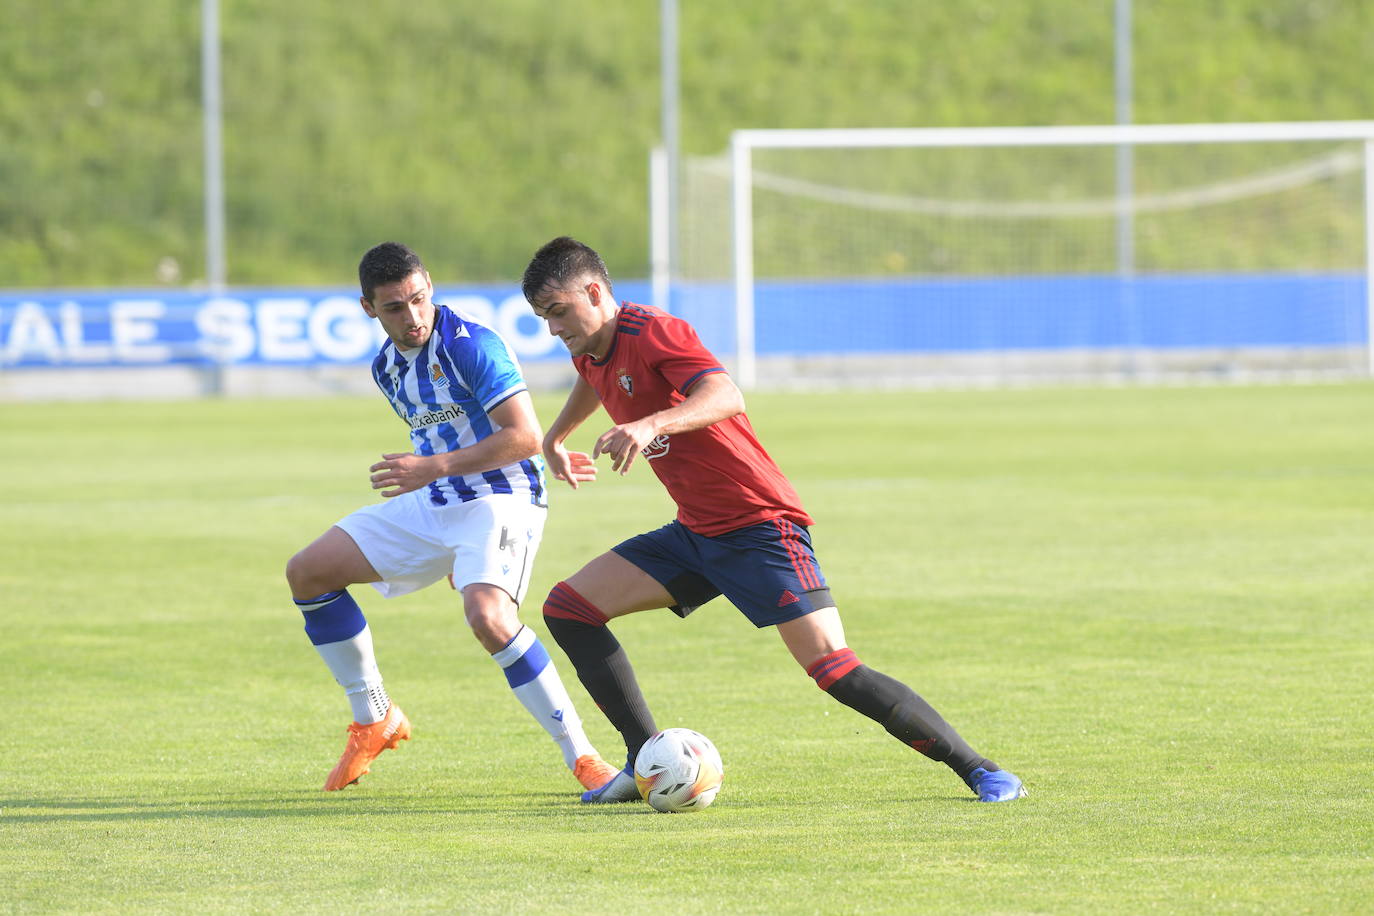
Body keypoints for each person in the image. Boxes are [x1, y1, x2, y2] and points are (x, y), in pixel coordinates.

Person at [520, 236, 1026, 804]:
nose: (553, 328)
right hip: (697, 532)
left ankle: (979, 769)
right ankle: (644, 762)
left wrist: (651, 423)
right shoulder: (589, 346)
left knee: (834, 668)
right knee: (569, 609)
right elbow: (594, 377)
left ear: (594, 292)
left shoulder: (655, 330)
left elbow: (724, 394)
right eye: (543, 318)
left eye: (558, 311)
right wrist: (555, 437)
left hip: (761, 526)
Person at [284, 241, 616, 793]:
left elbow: (524, 436)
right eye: (394, 307)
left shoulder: (472, 346)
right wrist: (441, 520)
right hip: (437, 497)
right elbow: (438, 439)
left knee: (488, 617)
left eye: (418, 299)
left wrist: (433, 470)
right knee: (308, 572)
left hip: (502, 495)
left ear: (430, 286)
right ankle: (374, 717)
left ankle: (584, 758)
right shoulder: (386, 366)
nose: (412, 316)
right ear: (369, 308)